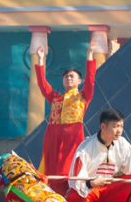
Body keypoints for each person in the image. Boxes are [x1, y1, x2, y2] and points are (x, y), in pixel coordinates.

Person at [35, 43, 96, 193]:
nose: (68, 78)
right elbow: (43, 85)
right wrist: (41, 60)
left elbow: (90, 81)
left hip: (73, 136)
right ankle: (56, 198)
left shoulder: (83, 96)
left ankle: (72, 196)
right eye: (66, 76)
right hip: (53, 136)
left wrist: (89, 55)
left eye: (71, 76)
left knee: (69, 168)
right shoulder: (55, 97)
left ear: (78, 81)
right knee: (53, 168)